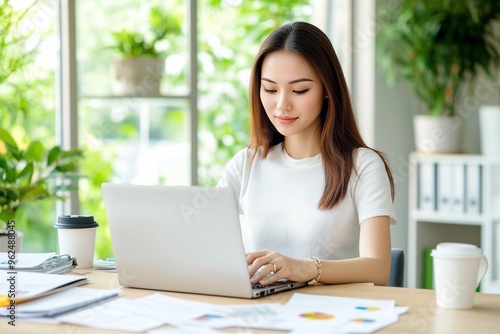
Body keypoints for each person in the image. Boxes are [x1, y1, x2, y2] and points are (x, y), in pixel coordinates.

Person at [217, 21, 397, 287]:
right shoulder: (246, 164)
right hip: (261, 315)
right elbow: (203, 245)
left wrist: (306, 268)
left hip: (332, 317)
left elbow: (378, 269)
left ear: (327, 89)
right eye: (270, 89)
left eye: (299, 90)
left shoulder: (363, 166)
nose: (282, 105)